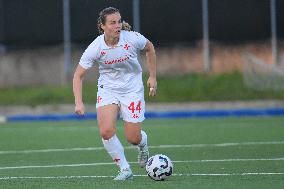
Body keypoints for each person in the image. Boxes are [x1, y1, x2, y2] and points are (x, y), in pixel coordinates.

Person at [73, 7, 157, 180]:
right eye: (112, 22)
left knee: (133, 138)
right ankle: (125, 169)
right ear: (103, 26)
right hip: (108, 90)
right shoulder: (96, 47)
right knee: (105, 131)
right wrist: (78, 102)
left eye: (119, 21)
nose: (117, 25)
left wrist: (153, 77)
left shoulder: (132, 38)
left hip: (132, 89)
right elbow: (78, 75)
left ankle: (143, 143)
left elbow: (150, 48)